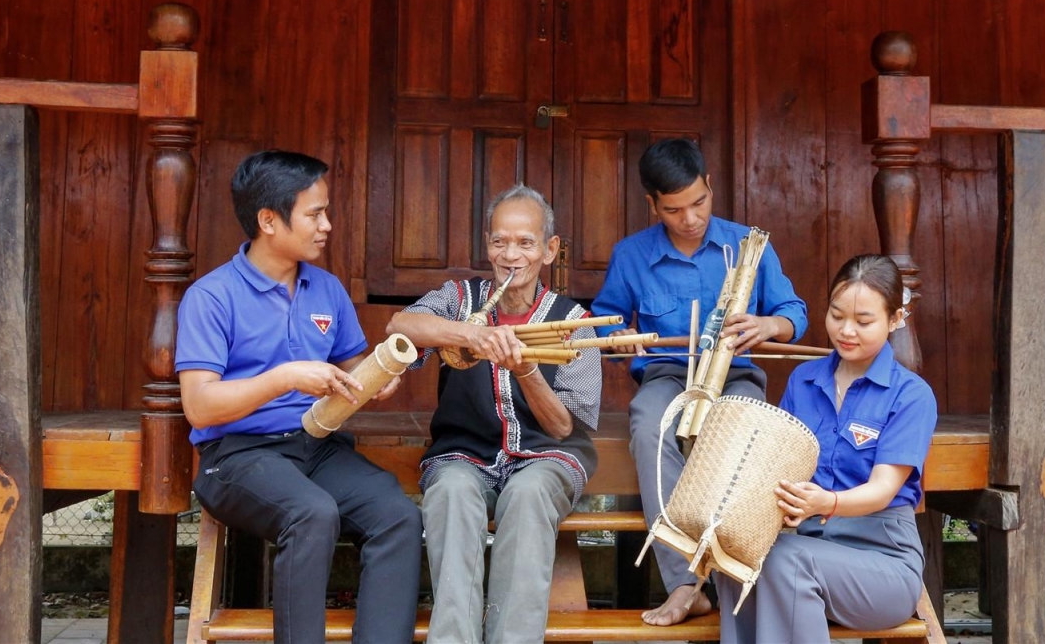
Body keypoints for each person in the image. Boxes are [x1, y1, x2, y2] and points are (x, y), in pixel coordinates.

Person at [176, 150, 423, 644]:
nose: (326, 224)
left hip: (316, 445)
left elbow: (351, 366)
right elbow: (200, 406)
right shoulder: (211, 296)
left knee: (397, 515)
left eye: (325, 211)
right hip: (237, 456)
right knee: (311, 513)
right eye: (314, 213)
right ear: (269, 220)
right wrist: (285, 377)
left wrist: (378, 377)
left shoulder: (325, 289)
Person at [591, 138, 809, 626]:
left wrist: (770, 326)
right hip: (669, 374)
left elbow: (794, 313)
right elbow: (603, 320)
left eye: (699, 203)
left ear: (710, 186)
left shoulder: (749, 245)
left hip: (736, 376)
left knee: (748, 435)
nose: (689, 218)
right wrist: (621, 335)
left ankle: (743, 574)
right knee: (649, 424)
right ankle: (685, 585)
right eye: (673, 210)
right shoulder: (631, 255)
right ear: (653, 205)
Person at [386, 184, 602, 644]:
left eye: (526, 243)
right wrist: (468, 335)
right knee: (450, 492)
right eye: (500, 242)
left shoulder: (574, 321)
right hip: (464, 454)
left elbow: (564, 427)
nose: (512, 255)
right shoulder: (461, 298)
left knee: (527, 495)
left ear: (550, 249)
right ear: (487, 245)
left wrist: (526, 372)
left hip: (547, 457)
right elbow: (401, 324)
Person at [715, 254, 938, 643]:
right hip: (805, 544)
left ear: (895, 319)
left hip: (882, 560)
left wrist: (825, 504)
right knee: (737, 559)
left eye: (864, 321)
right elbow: (776, 469)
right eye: (837, 316)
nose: (846, 331)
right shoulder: (804, 380)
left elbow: (884, 489)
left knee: (786, 562)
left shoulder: (911, 395)